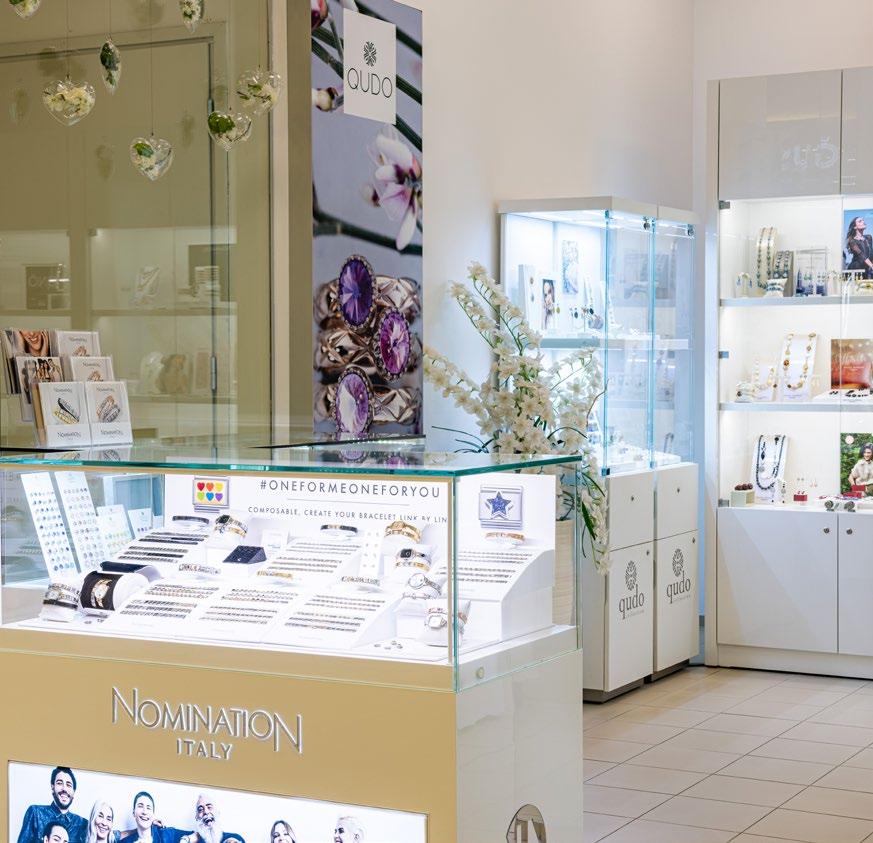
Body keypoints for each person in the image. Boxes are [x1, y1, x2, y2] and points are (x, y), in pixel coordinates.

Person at [17, 767, 88, 843]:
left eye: (69, 785)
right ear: (52, 787)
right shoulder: (36, 813)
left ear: (73, 792)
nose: (64, 788)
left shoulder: (83, 824)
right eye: (59, 783)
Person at [178, 793, 245, 843]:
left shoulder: (234, 837)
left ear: (217, 812)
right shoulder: (185, 836)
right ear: (197, 817)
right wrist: (186, 840)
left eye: (209, 807)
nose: (206, 812)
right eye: (200, 809)